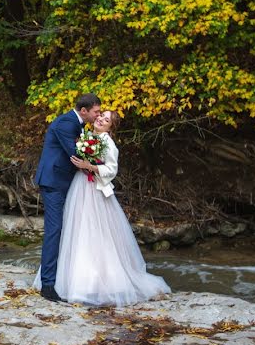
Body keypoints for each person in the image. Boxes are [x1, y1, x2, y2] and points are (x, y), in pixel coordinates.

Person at [36, 110, 171, 306]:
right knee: (75, 228)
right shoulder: (87, 136)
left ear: (111, 127)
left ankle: (98, 281)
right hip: (79, 186)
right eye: (100, 116)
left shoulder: (108, 143)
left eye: (106, 120)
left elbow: (111, 170)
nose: (100, 119)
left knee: (96, 232)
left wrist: (89, 166)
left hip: (95, 190)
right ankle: (67, 278)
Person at [34, 93, 102, 302]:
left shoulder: (78, 125)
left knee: (65, 229)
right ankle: (47, 286)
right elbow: (75, 154)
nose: (98, 115)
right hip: (53, 181)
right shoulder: (66, 123)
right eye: (96, 112)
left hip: (64, 181)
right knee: (54, 231)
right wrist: (103, 163)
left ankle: (59, 279)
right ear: (84, 111)